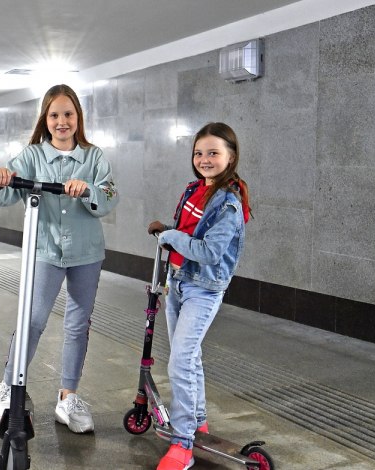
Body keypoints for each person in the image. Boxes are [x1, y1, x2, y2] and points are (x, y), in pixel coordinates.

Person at [0, 84, 119, 434]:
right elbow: (4, 192)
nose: (62, 121)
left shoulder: (94, 157)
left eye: (68, 114)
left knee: (78, 323)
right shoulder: (31, 157)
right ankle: (9, 386)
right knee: (33, 319)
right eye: (55, 115)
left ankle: (68, 397)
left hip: (86, 252)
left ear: (78, 118)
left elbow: (109, 195)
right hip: (44, 250)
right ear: (45, 118)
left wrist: (88, 189)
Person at [146, 122, 251, 470]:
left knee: (180, 361)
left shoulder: (229, 204)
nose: (204, 159)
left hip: (202, 288)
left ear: (231, 157)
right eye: (199, 153)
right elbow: (187, 234)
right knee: (189, 359)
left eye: (213, 153)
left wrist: (171, 237)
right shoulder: (194, 189)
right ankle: (198, 421)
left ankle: (183, 444)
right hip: (177, 281)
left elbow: (208, 251)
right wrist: (169, 232)